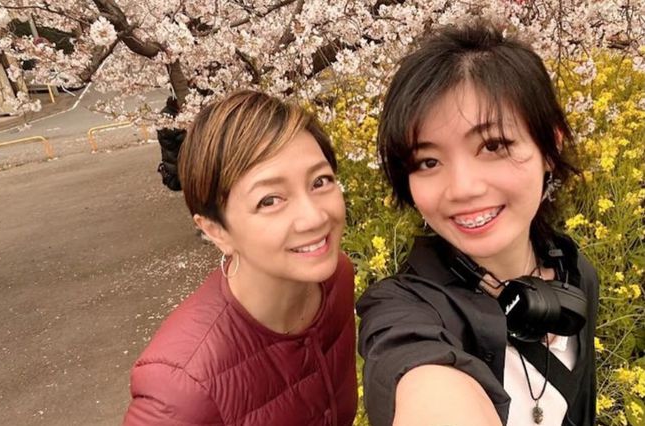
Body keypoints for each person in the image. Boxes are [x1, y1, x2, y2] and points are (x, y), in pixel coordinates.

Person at [357, 23, 599, 426]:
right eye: (428, 161)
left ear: (549, 148)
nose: (463, 188)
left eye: (493, 145)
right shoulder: (401, 310)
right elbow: (419, 377)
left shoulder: (575, 273)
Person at [124, 90, 357, 425]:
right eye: (270, 200)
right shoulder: (181, 387)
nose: (315, 218)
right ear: (216, 230)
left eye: (320, 181)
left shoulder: (335, 278)